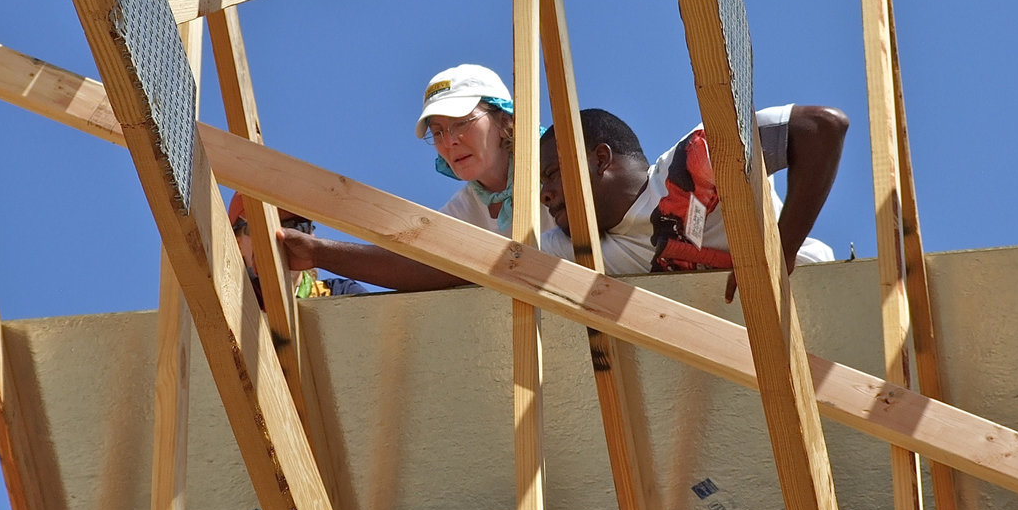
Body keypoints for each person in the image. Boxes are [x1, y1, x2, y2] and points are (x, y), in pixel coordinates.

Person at [276, 64, 553, 291]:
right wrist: (316, 252)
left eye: (461, 123)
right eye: (438, 131)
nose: (450, 141)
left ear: (504, 119)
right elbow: (415, 267)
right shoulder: (463, 211)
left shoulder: (557, 172)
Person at [538, 105, 847, 300]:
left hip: (825, 297)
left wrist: (781, 254)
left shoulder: (691, 163)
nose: (544, 194)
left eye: (551, 174)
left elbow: (823, 127)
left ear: (601, 160)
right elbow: (500, 259)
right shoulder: (580, 247)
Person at [228, 192, 367, 307]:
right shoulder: (223, 304)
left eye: (296, 226)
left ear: (311, 236)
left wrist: (319, 254)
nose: (282, 237)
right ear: (237, 243)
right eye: (260, 227)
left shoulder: (339, 294)